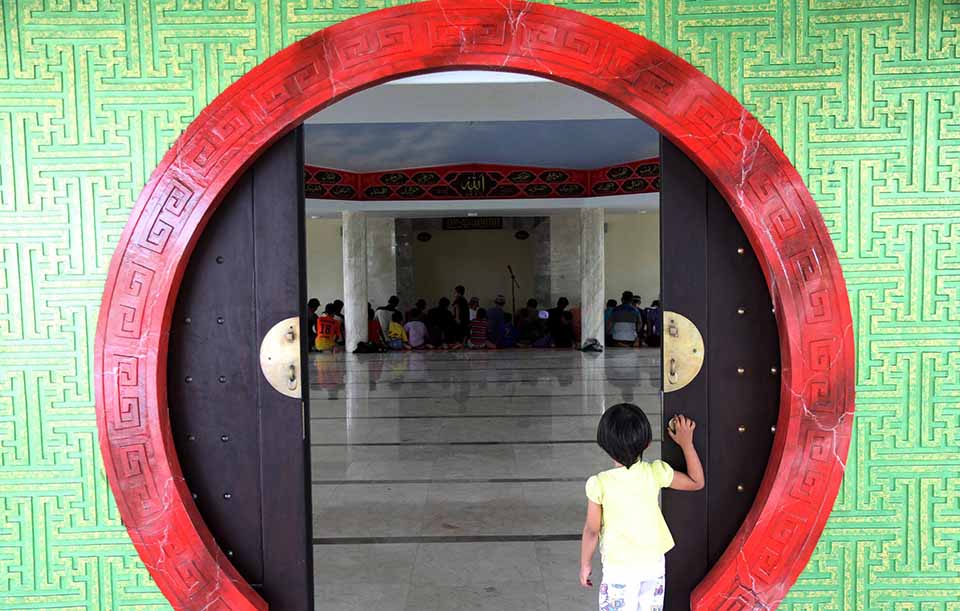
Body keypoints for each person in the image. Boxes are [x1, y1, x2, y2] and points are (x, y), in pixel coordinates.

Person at [579, 406, 704, 609]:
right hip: (653, 565)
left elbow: (592, 530)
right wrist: (686, 443)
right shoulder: (655, 472)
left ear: (605, 445)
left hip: (618, 569)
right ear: (647, 444)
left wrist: (585, 565)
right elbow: (696, 482)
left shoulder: (599, 483)